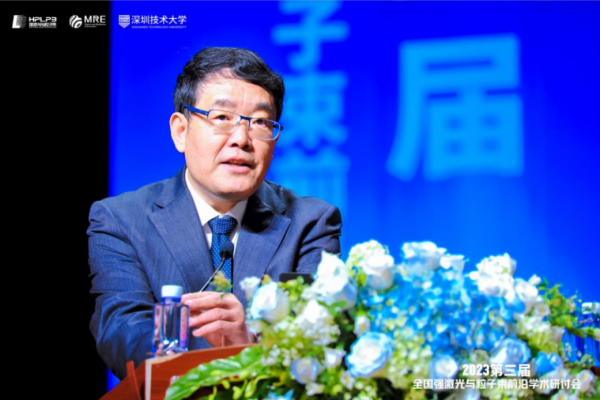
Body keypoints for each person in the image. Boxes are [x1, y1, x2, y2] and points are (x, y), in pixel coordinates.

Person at [88, 47, 342, 379]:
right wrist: (225, 355)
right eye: (222, 118)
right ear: (181, 131)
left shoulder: (310, 223)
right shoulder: (121, 219)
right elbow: (122, 333)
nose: (242, 139)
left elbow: (317, 337)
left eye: (260, 122)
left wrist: (249, 341)